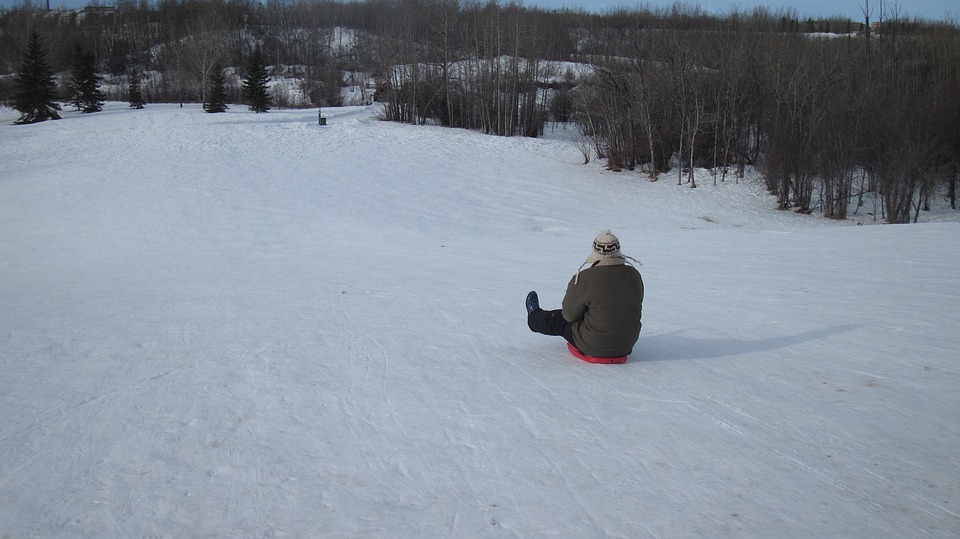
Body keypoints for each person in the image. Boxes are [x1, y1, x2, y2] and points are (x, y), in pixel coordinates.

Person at [526, 230, 644, 358]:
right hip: (627, 344)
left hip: (594, 345)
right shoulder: (634, 275)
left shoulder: (585, 278)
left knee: (559, 320)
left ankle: (534, 317)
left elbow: (569, 315)